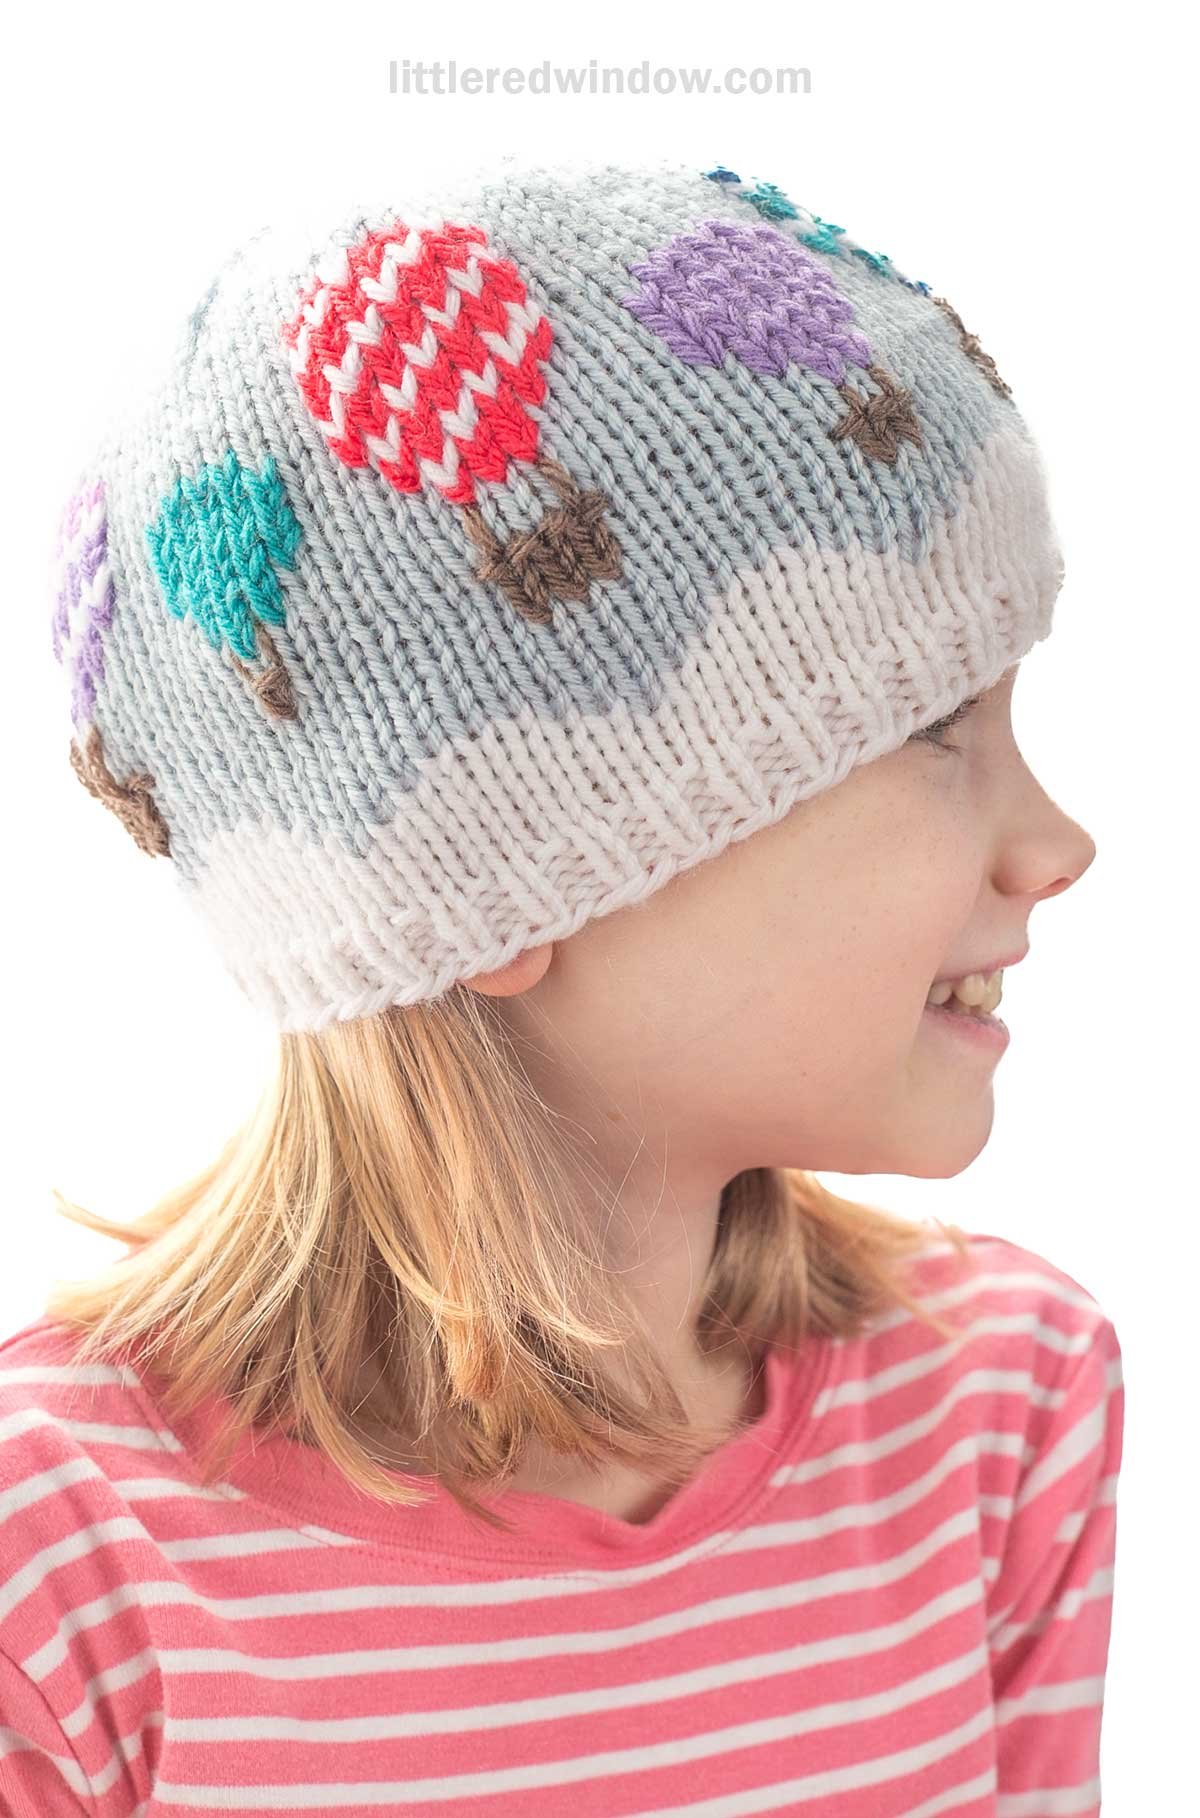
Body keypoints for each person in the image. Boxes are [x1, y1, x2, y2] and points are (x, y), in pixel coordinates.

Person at [1, 157, 1123, 1815]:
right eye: (933, 728)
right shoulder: (65, 1561)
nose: (1058, 844)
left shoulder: (999, 1411)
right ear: (493, 883)